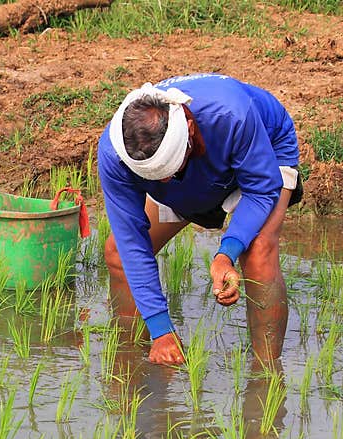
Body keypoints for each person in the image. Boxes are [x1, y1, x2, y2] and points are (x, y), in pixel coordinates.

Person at [98, 73, 302, 366]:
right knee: (117, 254)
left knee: (257, 252)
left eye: (171, 169)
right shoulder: (115, 153)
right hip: (192, 177)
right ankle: (133, 360)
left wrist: (226, 254)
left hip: (262, 155)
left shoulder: (232, 113)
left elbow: (260, 191)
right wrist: (161, 330)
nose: (167, 178)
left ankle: (265, 376)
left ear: (189, 128)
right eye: (157, 176)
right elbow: (132, 242)